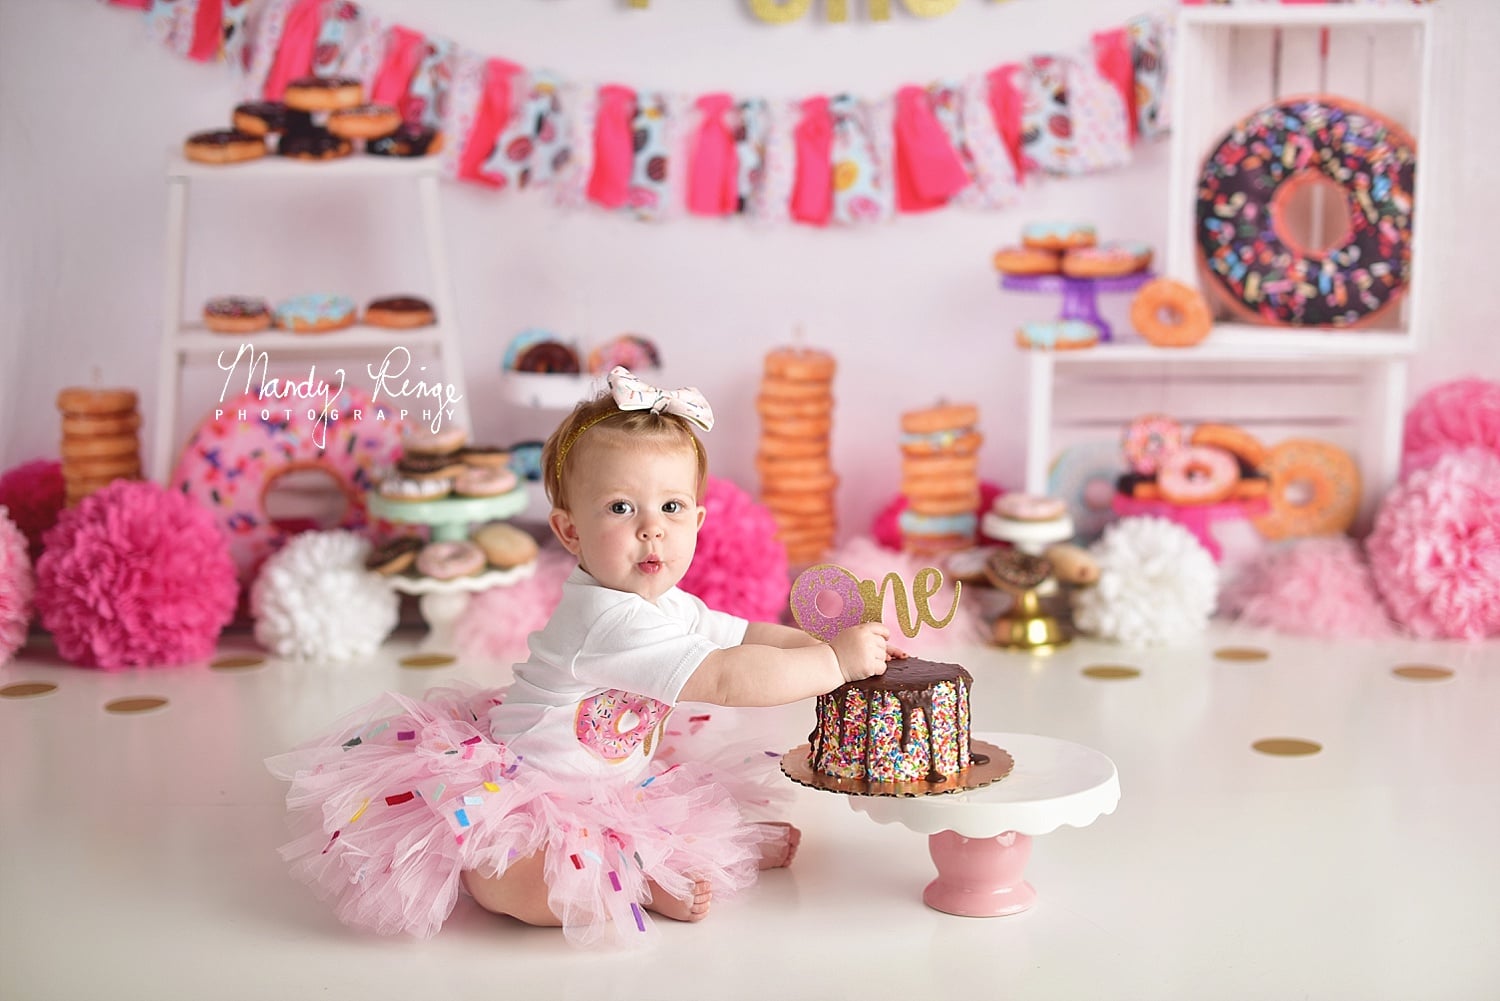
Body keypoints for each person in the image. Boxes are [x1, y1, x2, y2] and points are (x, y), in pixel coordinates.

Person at [267, 367, 894, 947]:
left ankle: (682, 854)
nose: (652, 528)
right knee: (503, 878)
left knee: (677, 804)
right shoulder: (605, 620)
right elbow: (727, 677)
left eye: (671, 508)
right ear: (570, 532)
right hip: (528, 794)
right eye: (621, 508)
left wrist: (818, 643)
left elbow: (746, 638)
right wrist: (834, 667)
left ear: (699, 521)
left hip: (613, 784)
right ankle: (644, 879)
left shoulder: (667, 603)